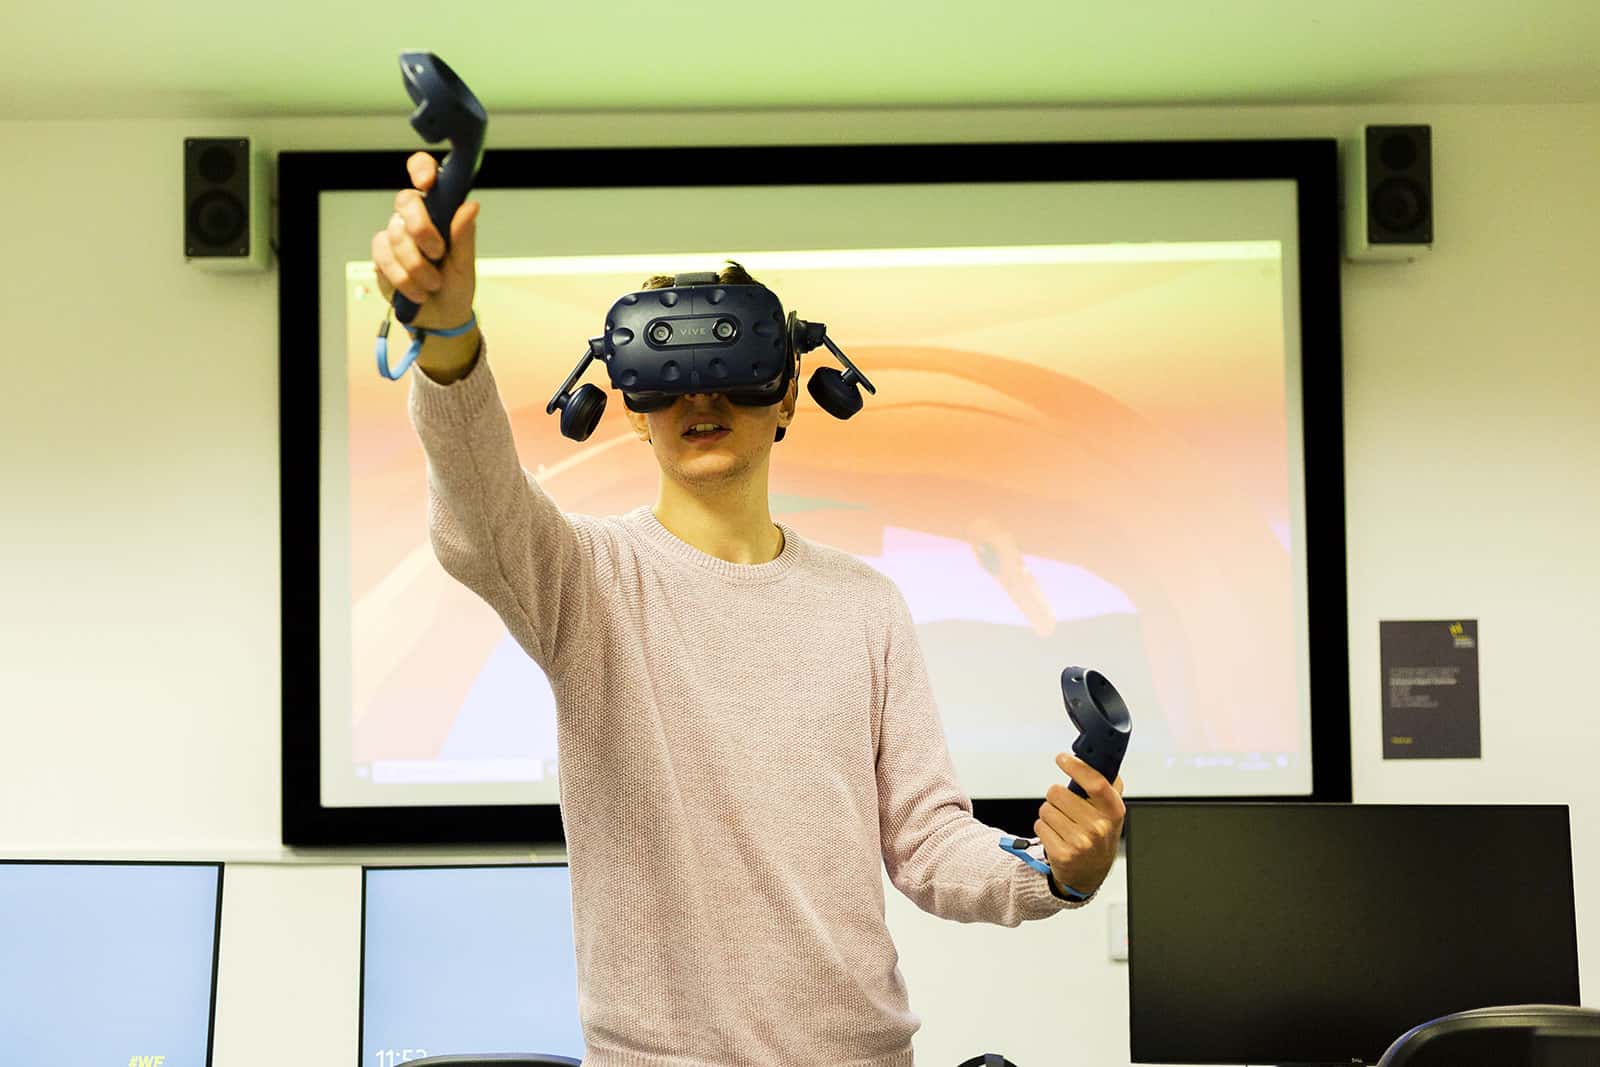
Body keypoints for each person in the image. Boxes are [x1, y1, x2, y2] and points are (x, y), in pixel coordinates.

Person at [372, 151, 1127, 1067]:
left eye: (734, 370)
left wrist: (1059, 871)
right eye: (671, 374)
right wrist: (448, 332)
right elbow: (480, 509)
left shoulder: (867, 606)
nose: (702, 398)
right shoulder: (584, 580)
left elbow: (929, 842)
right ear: (626, 406)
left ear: (789, 401)